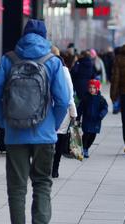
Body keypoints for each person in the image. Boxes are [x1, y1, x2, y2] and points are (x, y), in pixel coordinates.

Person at [0, 19, 69, 224]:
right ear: (45, 37)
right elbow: (63, 100)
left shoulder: (8, 59)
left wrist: (5, 123)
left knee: (16, 189)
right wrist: (52, 123)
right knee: (42, 182)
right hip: (44, 136)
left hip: (15, 135)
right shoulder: (52, 61)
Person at [51, 46, 77, 178]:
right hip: (61, 110)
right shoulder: (63, 70)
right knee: (59, 139)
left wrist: (73, 110)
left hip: (55, 110)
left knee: (53, 140)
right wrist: (73, 111)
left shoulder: (50, 68)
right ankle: (54, 168)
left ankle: (52, 167)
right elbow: (69, 92)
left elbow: (69, 93)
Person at [77, 79, 108, 158]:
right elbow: (80, 108)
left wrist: (101, 115)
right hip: (87, 120)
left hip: (96, 121)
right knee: (86, 134)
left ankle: (87, 147)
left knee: (92, 136)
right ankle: (84, 149)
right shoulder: (85, 98)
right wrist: (78, 117)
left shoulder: (100, 99)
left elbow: (105, 108)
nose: (92, 89)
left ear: (97, 89)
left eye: (94, 88)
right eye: (90, 87)